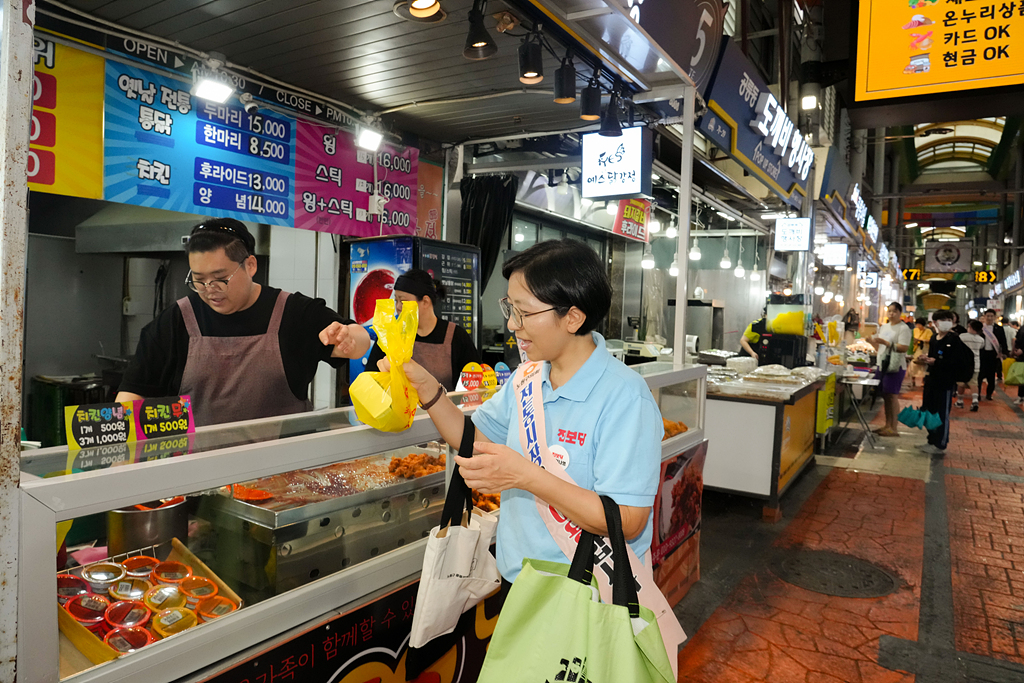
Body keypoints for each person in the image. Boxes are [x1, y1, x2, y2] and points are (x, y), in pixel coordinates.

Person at [380, 239, 662, 584]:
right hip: (519, 579)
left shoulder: (625, 398)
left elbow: (629, 520)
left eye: (524, 312)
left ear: (572, 317)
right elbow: (474, 441)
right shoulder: (526, 377)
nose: (513, 325)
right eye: (509, 308)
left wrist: (525, 476)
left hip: (585, 595)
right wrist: (427, 389)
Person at [117, 219, 371, 426]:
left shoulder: (295, 312)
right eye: (198, 279)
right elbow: (133, 393)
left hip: (282, 473)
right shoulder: (174, 321)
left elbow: (359, 341)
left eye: (220, 277)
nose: (209, 289)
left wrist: (349, 336)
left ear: (250, 265)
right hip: (197, 475)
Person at [365, 268, 480, 392]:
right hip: (401, 410)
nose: (398, 307)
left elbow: (475, 382)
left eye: (403, 301)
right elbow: (371, 378)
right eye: (396, 300)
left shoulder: (456, 336)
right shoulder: (391, 335)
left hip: (446, 410)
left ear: (425, 301)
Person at [916, 310, 971, 455]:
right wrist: (927, 358)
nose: (946, 322)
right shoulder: (934, 338)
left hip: (945, 382)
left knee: (941, 413)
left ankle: (940, 443)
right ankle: (931, 440)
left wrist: (938, 362)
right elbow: (933, 356)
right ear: (934, 323)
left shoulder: (954, 339)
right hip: (932, 379)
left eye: (948, 319)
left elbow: (957, 362)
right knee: (929, 410)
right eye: (942, 319)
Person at [869, 302, 912, 437]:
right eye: (889, 311)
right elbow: (880, 348)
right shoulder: (884, 327)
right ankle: (887, 425)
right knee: (885, 395)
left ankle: (893, 427)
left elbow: (904, 348)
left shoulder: (903, 328)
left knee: (892, 396)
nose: (891, 314)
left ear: (900, 313)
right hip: (882, 364)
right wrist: (871, 342)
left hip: (895, 366)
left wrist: (887, 343)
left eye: (894, 311)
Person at [978, 308, 1010, 401]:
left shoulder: (999, 328)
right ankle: (978, 394)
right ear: (984, 316)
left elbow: (1003, 341)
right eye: (988, 316)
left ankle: (989, 394)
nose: (989, 318)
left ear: (995, 317)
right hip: (982, 354)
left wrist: (1004, 352)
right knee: (980, 375)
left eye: (991, 316)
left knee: (991, 376)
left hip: (993, 355)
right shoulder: (980, 328)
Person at [957, 319, 984, 412]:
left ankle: (960, 401)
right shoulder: (981, 339)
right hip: (976, 363)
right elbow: (981, 348)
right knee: (974, 383)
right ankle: (975, 401)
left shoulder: (962, 336)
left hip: (963, 364)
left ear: (971, 327)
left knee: (960, 383)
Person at [908, 318, 931, 389]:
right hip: (916, 349)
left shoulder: (928, 331)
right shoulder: (914, 330)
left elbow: (930, 340)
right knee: (913, 364)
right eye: (917, 324)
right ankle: (912, 380)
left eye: (919, 324)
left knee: (923, 366)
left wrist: (921, 340)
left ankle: (923, 381)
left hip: (924, 349)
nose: (918, 326)